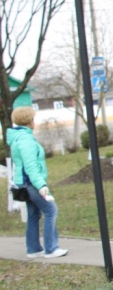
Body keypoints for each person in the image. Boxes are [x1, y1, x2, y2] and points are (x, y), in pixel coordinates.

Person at [7, 107, 68, 259]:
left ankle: (34, 249)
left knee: (33, 215)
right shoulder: (25, 139)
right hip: (31, 183)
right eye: (33, 119)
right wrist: (41, 186)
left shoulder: (18, 137)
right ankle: (51, 248)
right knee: (51, 210)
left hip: (24, 183)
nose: (34, 121)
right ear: (29, 121)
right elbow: (31, 166)